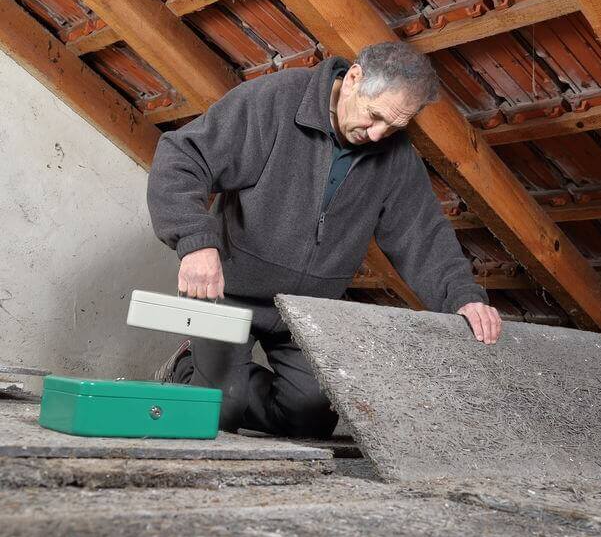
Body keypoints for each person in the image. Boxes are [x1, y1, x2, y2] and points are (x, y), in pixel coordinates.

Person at [146, 42, 502, 438]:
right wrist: (196, 241)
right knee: (219, 409)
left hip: (307, 310)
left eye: (395, 127)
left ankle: (219, 384)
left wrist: (462, 297)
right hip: (232, 293)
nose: (378, 134)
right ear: (353, 79)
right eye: (375, 116)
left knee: (311, 418)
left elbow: (422, 232)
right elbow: (182, 158)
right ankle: (187, 368)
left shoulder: (393, 153)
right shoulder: (275, 101)